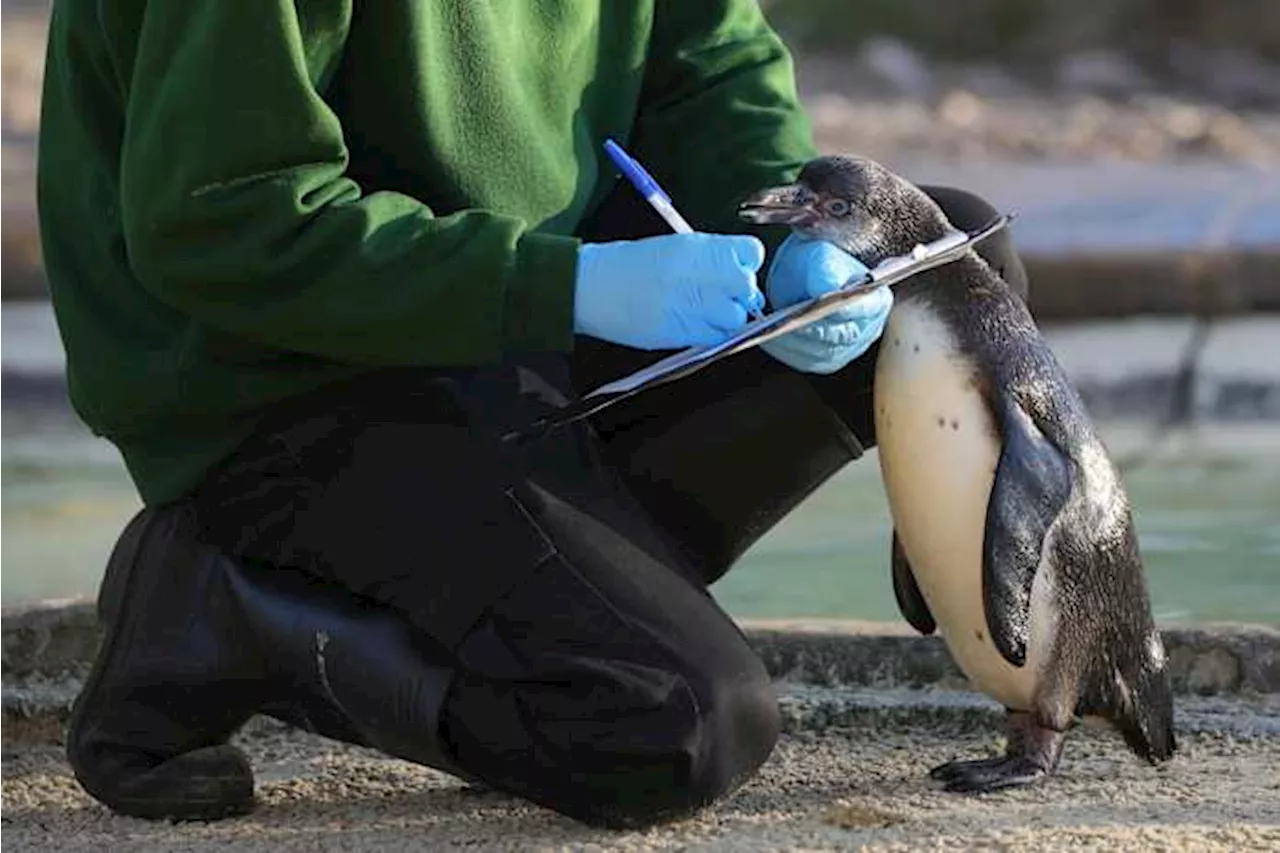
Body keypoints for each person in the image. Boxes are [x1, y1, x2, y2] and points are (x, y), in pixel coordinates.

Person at [37, 0, 1029, 830]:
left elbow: (706, 67)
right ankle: (221, 604)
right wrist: (566, 285)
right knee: (671, 724)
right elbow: (224, 222)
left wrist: (787, 237)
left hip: (518, 322)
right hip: (284, 379)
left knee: (939, 277)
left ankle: (549, 594)